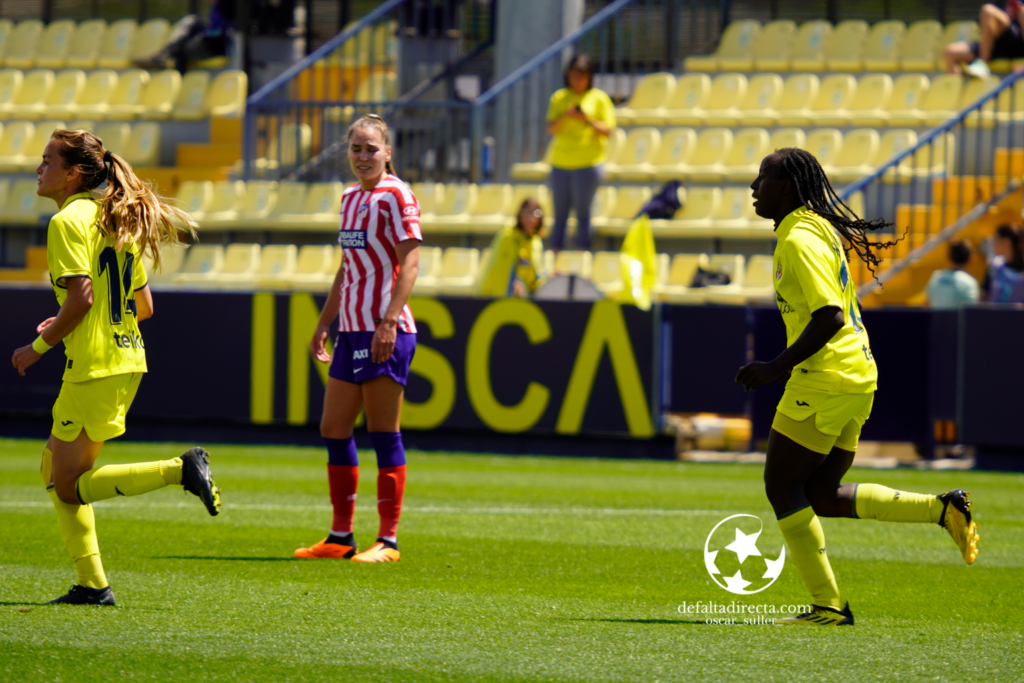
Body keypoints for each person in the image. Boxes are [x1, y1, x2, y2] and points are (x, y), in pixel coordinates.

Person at [735, 148, 979, 626]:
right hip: (855, 374)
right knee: (822, 494)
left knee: (781, 485)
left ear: (786, 186)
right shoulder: (817, 228)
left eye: (763, 177)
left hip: (825, 377)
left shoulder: (799, 239)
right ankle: (943, 509)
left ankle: (827, 606)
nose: (754, 186)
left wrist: (777, 366)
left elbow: (829, 315)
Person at [10, 129, 221, 607]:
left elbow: (82, 298)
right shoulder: (114, 218)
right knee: (54, 468)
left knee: (67, 486)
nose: (39, 169)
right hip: (127, 358)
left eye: (47, 161)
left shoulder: (67, 221)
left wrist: (38, 346)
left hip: (94, 365)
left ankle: (179, 470)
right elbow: (143, 306)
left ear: (73, 174)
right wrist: (65, 320)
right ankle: (92, 585)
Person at [295, 114, 421, 563]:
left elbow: (410, 264)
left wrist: (388, 321)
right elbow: (348, 268)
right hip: (350, 330)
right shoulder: (350, 197)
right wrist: (324, 322)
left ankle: (388, 541)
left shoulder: (397, 195)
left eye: (371, 149)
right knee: (333, 428)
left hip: (384, 329)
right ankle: (340, 536)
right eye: (356, 148)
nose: (363, 156)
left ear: (388, 152)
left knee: (383, 431)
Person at [546, 54, 616, 253]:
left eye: (581, 76)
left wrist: (586, 120)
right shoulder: (559, 97)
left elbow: (608, 130)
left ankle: (581, 258)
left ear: (589, 77)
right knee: (559, 216)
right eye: (573, 76)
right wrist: (566, 115)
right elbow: (551, 128)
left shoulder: (599, 98)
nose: (576, 81)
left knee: (583, 215)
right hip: (560, 163)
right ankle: (556, 259)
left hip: (588, 163)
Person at [134, 0, 236, 73]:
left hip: (219, 44)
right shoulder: (216, 6)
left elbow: (220, 30)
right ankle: (165, 54)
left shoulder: (228, 4)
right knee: (190, 20)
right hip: (208, 38)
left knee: (180, 49)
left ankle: (164, 55)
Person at [478, 197, 545, 298]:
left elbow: (533, 276)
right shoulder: (507, 236)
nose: (531, 217)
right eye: (527, 212)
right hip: (494, 297)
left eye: (536, 213)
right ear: (520, 214)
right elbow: (498, 271)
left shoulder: (536, 242)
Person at [943, 1, 1024, 78]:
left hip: (1018, 43)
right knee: (949, 53)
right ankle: (963, 86)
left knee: (988, 10)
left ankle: (982, 63)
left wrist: (1021, 12)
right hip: (995, 44)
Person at [926, 239, 980, 309]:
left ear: (948, 257)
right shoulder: (970, 283)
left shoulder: (936, 277)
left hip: (936, 316)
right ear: (970, 259)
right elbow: (971, 311)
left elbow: (927, 305)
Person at [983, 223, 1024, 303]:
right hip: (996, 311)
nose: (993, 244)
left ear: (1006, 242)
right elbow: (983, 296)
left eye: (995, 240)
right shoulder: (994, 267)